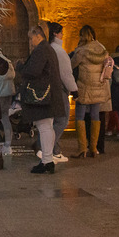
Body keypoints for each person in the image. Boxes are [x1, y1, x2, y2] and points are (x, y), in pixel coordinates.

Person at [19, 24, 63, 174]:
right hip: (49, 95)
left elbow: (33, 71)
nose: (30, 42)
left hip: (42, 96)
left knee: (44, 127)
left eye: (31, 38)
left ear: (38, 35)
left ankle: (47, 161)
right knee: (47, 127)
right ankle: (48, 160)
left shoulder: (41, 50)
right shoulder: (47, 49)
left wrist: (20, 68)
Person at [70, 24, 110, 158]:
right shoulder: (102, 49)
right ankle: (93, 148)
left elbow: (71, 65)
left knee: (80, 116)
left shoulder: (81, 51)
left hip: (84, 86)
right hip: (98, 87)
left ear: (83, 35)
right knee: (95, 116)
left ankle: (82, 148)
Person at [46, 22, 76, 163]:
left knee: (55, 121)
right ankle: (46, 147)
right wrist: (74, 89)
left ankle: (55, 151)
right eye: (61, 33)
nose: (63, 35)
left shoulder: (50, 48)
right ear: (56, 34)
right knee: (62, 120)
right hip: (60, 89)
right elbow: (66, 73)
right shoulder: (58, 51)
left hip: (52, 88)